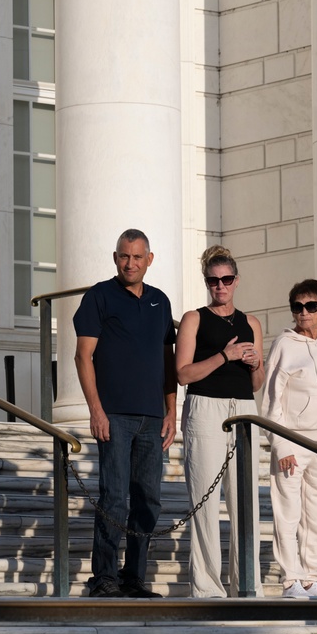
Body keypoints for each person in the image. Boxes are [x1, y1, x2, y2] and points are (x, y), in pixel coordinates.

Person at [74, 229, 177, 598]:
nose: (130, 263)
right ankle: (104, 577)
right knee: (114, 497)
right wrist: (96, 410)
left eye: (137, 257)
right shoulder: (99, 296)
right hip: (114, 415)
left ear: (150, 259)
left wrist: (171, 410)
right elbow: (82, 356)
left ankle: (133, 577)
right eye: (123, 256)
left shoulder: (160, 302)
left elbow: (168, 360)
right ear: (114, 257)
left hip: (153, 418)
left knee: (148, 499)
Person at [175, 245, 265, 598]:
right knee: (205, 500)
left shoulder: (252, 323)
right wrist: (224, 355)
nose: (220, 286)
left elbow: (257, 384)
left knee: (246, 502)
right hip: (205, 408)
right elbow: (183, 374)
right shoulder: (194, 319)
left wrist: (256, 363)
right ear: (206, 282)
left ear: (236, 280)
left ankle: (247, 585)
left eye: (226, 279)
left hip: (244, 410)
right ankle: (208, 589)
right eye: (213, 281)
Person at [261, 279, 317, 598]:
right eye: (298, 307)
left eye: (311, 307)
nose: (304, 313)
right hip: (293, 440)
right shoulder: (285, 344)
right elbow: (271, 399)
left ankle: (312, 576)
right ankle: (291, 578)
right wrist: (281, 444)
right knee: (288, 510)